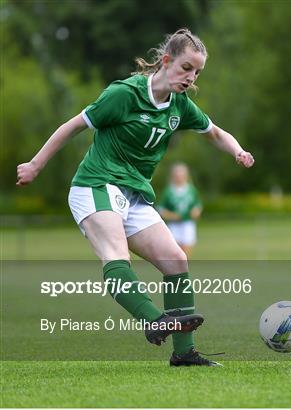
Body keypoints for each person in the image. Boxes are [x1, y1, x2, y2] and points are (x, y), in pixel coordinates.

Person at [16, 28, 255, 367]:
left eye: (198, 72)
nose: (191, 77)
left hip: (134, 194)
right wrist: (36, 164)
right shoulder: (123, 94)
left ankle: (184, 353)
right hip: (95, 185)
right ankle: (152, 320)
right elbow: (74, 125)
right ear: (167, 60)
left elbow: (215, 132)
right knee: (116, 256)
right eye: (187, 68)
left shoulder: (180, 106)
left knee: (177, 261)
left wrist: (238, 150)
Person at [158, 163, 202, 259]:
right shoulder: (169, 191)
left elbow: (197, 205)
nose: (179, 177)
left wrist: (196, 211)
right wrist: (171, 216)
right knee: (175, 251)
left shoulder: (191, 189)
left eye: (182, 175)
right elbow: (161, 209)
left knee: (186, 250)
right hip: (174, 225)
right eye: (177, 175)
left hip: (188, 223)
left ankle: (183, 270)